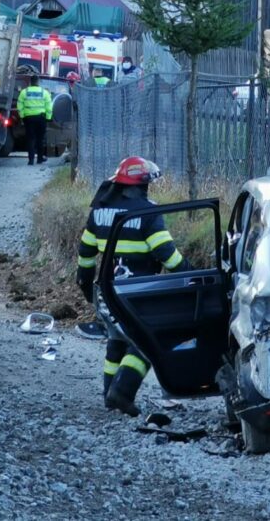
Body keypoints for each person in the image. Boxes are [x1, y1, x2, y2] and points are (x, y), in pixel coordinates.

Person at [76, 156, 186, 416]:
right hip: (139, 294)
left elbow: (85, 254)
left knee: (116, 342)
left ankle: (108, 394)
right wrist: (192, 275)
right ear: (143, 185)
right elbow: (168, 256)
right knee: (149, 342)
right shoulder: (147, 213)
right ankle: (122, 392)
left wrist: (87, 288)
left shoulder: (99, 211)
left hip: (108, 292)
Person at [16, 75, 52, 165]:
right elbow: (49, 107)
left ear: (30, 82)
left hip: (28, 119)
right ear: (38, 82)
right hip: (41, 118)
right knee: (40, 139)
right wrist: (48, 118)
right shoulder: (44, 92)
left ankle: (31, 160)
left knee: (30, 139)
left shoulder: (24, 92)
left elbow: (19, 106)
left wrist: (22, 117)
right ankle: (40, 159)